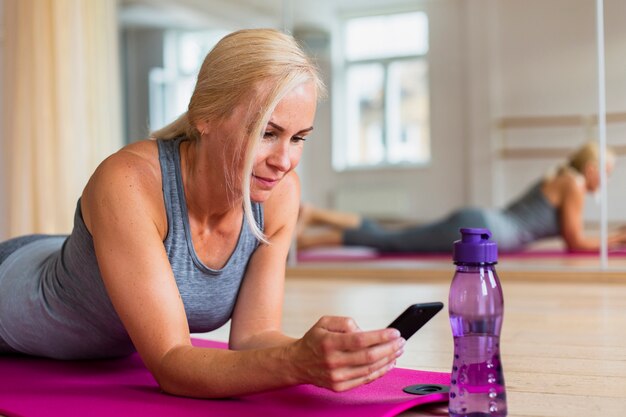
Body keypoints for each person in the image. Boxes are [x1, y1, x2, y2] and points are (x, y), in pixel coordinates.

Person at [0, 29, 404, 398]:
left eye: (298, 138)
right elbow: (173, 364)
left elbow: (254, 337)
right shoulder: (128, 181)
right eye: (267, 132)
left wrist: (319, 352)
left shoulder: (279, 195)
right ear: (204, 116)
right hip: (16, 286)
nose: (284, 161)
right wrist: (296, 363)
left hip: (79, 275)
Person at [297, 141, 626, 253]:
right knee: (390, 241)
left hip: (482, 222)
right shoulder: (575, 183)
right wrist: (615, 239)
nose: (606, 179)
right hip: (482, 230)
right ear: (593, 168)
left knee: (392, 237)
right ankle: (308, 242)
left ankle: (315, 215)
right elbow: (575, 241)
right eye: (607, 172)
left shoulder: (564, 177)